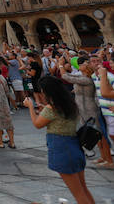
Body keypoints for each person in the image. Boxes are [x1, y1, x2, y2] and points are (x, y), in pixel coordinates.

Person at [25, 76, 94, 204]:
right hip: (74, 147)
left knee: (78, 194)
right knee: (83, 189)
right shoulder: (70, 104)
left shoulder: (51, 109)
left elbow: (37, 124)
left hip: (61, 149)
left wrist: (30, 106)